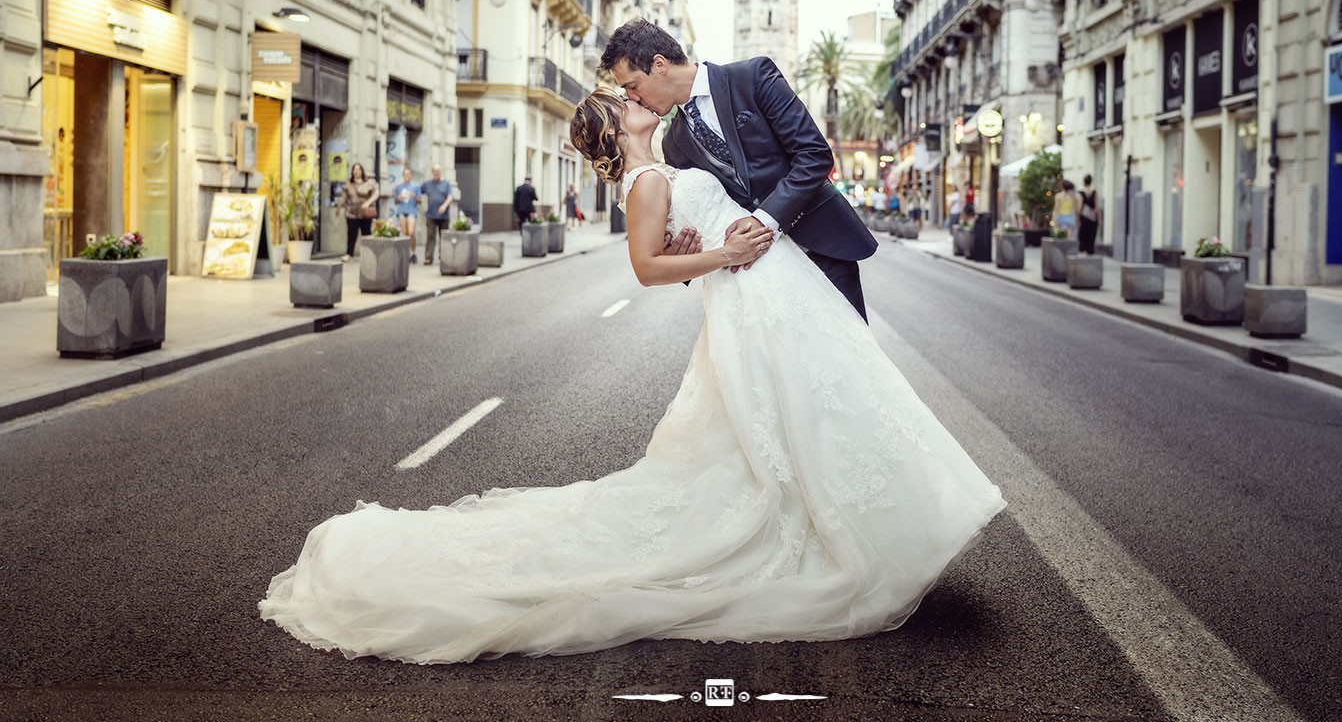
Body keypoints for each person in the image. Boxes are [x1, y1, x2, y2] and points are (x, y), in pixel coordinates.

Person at [257, 88, 1006, 664]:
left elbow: (678, 236)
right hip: (747, 291)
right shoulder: (646, 180)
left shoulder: (663, 169)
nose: (638, 99)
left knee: (804, 418)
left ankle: (838, 518)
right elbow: (647, 269)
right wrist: (722, 255)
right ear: (617, 126)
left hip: (765, 298)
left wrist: (705, 240)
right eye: (624, 100)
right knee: (780, 432)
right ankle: (826, 529)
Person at [605, 19, 877, 320]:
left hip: (823, 247)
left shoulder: (753, 77)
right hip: (758, 277)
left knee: (846, 357)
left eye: (632, 86)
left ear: (659, 64)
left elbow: (814, 155)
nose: (632, 98)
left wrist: (765, 220)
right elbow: (705, 218)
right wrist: (678, 256)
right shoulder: (674, 143)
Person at [336, 163, 378, 262]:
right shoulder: (349, 184)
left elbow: (376, 193)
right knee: (351, 233)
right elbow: (344, 197)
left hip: (365, 213)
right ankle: (349, 254)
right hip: (351, 212)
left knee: (366, 234)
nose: (356, 171)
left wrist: (368, 203)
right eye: (355, 169)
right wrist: (338, 208)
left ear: (362, 171)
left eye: (358, 169)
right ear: (352, 172)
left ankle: (368, 254)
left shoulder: (369, 183)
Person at [419, 164, 454, 266]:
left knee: (443, 237)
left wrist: (444, 206)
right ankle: (428, 258)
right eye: (434, 172)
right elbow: (418, 191)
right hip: (431, 215)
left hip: (444, 216)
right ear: (432, 172)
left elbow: (450, 197)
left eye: (437, 172)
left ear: (440, 172)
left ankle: (443, 257)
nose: (436, 174)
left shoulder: (446, 184)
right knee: (430, 237)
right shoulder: (428, 184)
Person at [392, 166, 421, 264]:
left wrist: (414, 196)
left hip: (412, 211)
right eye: (405, 174)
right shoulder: (398, 187)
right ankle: (406, 253)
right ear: (403, 175)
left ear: (411, 175)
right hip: (401, 211)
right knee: (404, 233)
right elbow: (395, 202)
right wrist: (398, 197)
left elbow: (420, 201)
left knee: (411, 232)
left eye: (408, 174)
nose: (407, 176)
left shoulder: (416, 187)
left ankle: (413, 252)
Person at [1078, 174, 1101, 255]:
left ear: (1084, 182)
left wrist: (1077, 219)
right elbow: (1097, 207)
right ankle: (1089, 252)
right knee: (1091, 235)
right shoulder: (1094, 193)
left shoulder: (1081, 193)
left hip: (1084, 217)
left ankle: (1084, 252)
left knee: (1083, 234)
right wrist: (1100, 219)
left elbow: (1080, 207)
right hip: (1093, 216)